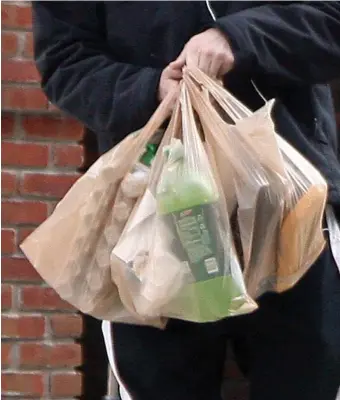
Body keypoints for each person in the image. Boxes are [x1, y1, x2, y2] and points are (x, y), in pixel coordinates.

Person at [32, 2, 340, 399]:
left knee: (306, 380)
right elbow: (66, 61)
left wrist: (238, 39)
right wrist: (151, 89)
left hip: (289, 204)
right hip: (153, 215)